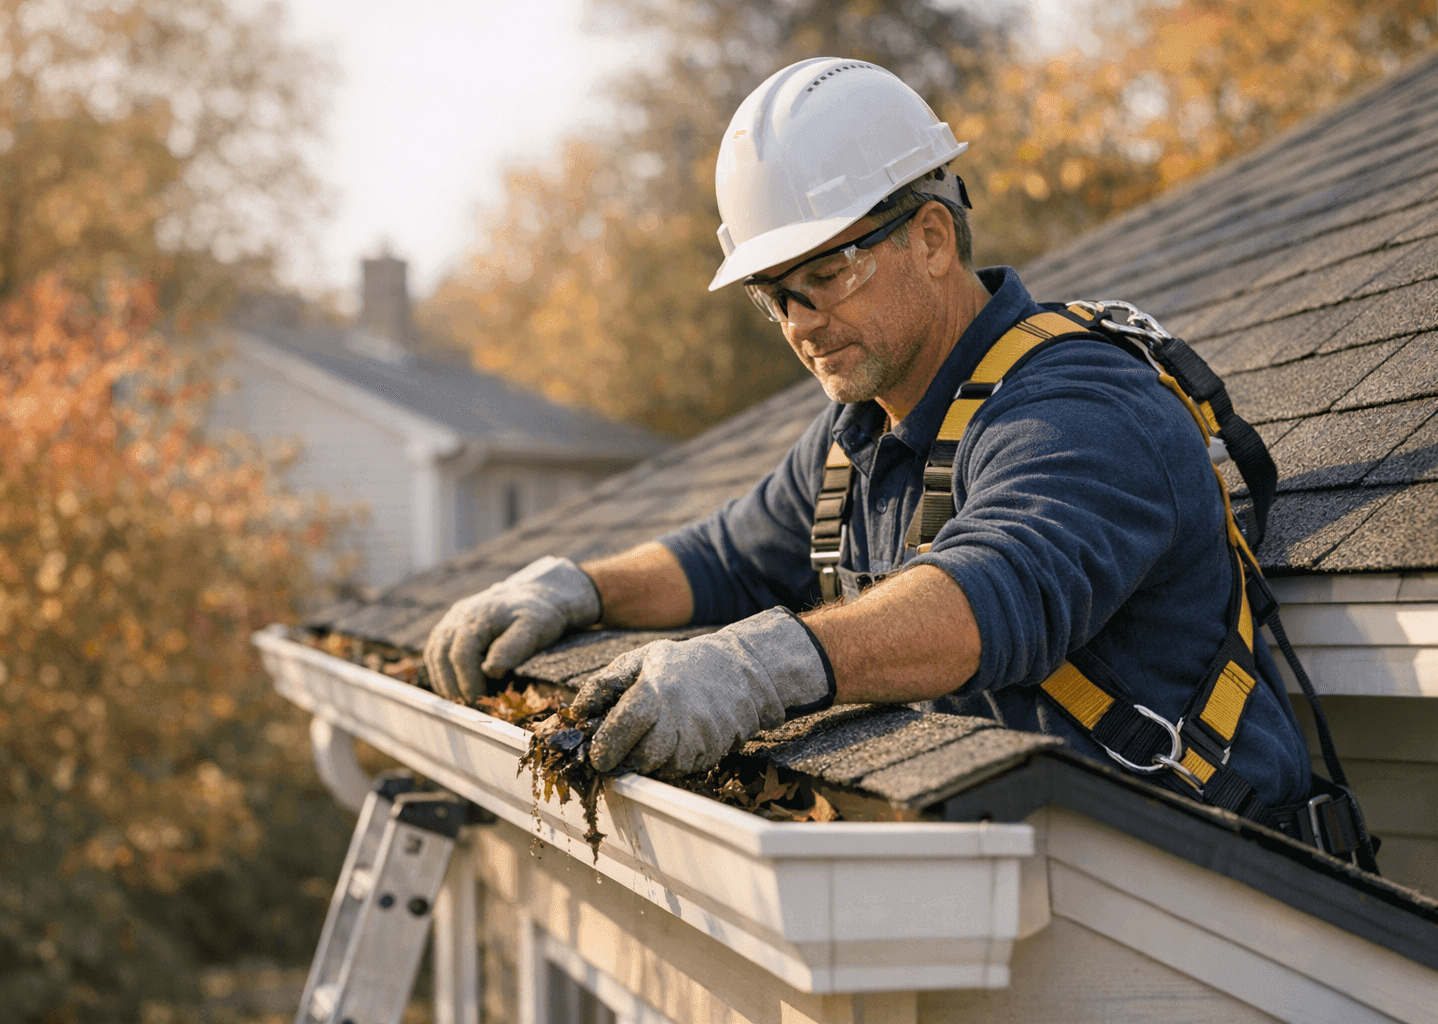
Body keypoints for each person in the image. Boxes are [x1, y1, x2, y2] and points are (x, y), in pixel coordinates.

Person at [424, 57, 1312, 813]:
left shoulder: (1080, 406)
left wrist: (764, 665)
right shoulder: (858, 438)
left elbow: (997, 592)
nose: (802, 323)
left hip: (1210, 903)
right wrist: (575, 585)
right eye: (776, 296)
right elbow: (725, 560)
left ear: (931, 239)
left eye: (826, 274)